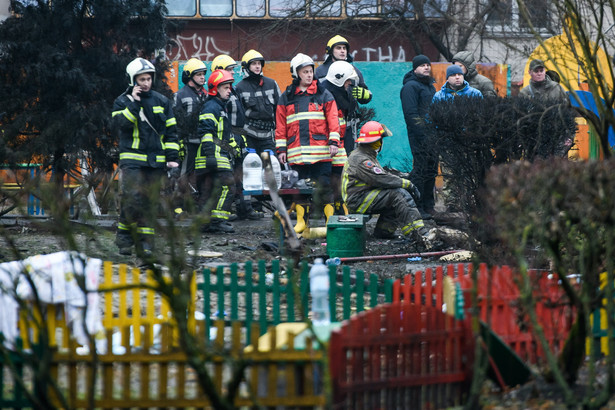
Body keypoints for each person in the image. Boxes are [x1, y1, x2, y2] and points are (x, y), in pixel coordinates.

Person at [112, 57, 180, 256]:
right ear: (133, 80)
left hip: (156, 161)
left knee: (150, 201)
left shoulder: (162, 101)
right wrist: (134, 103)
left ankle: (146, 243)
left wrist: (173, 157)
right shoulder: (122, 101)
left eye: (148, 79)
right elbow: (120, 126)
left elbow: (171, 132)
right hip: (132, 160)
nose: (146, 83)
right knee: (133, 198)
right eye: (141, 79)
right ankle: (124, 238)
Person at [342, 121, 436, 247]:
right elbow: (380, 179)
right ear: (377, 142)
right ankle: (418, 234)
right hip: (358, 200)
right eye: (380, 140)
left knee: (393, 193)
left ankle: (384, 231)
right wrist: (407, 184)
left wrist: (401, 177)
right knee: (399, 195)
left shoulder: (365, 154)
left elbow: (380, 175)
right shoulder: (361, 159)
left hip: (361, 196)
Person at [275, 53, 341, 216]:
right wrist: (281, 150)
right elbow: (281, 125)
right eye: (305, 71)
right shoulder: (286, 97)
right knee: (299, 192)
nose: (309, 74)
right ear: (296, 74)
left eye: (311, 71)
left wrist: (334, 142)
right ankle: (302, 225)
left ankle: (329, 225)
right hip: (297, 156)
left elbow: (333, 119)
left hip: (321, 155)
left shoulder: (323, 94)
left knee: (325, 190)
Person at [211, 54, 262, 220]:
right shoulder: (220, 95)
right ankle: (228, 209)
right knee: (230, 176)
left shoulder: (233, 90)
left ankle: (245, 208)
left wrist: (243, 140)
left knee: (242, 174)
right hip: (229, 139)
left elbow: (240, 120)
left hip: (239, 137)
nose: (233, 73)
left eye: (233, 70)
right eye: (230, 70)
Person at [195, 69, 241, 233]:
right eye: (226, 88)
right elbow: (206, 133)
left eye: (230, 87)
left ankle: (204, 223)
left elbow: (224, 135)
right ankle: (217, 221)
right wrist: (210, 155)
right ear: (216, 88)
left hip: (216, 156)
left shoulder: (221, 107)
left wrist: (234, 149)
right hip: (213, 156)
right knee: (228, 187)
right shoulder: (211, 107)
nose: (229, 91)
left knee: (209, 191)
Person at [315, 35, 371, 155]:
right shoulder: (320, 71)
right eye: (338, 48)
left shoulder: (354, 70)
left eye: (344, 48)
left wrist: (365, 95)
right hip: (328, 122)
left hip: (349, 122)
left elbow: (365, 93)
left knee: (349, 156)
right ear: (330, 51)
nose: (342, 51)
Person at [400, 54, 437, 220]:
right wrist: (422, 133)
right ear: (415, 68)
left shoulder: (430, 87)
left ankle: (429, 206)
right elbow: (411, 113)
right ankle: (417, 206)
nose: (426, 67)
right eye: (422, 65)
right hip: (419, 136)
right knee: (420, 170)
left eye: (428, 64)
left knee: (431, 170)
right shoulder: (410, 87)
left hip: (433, 135)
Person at [321, 60, 359, 214]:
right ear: (339, 80)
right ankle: (329, 213)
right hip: (327, 145)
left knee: (341, 178)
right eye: (348, 81)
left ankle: (340, 208)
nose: (349, 84)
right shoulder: (327, 96)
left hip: (339, 143)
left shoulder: (339, 94)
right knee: (328, 181)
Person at [172, 58, 208, 217]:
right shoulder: (179, 95)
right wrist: (178, 141)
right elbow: (174, 120)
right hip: (187, 142)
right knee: (184, 174)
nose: (202, 77)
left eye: (203, 74)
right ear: (189, 76)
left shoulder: (205, 95)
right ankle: (177, 206)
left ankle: (194, 205)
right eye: (198, 74)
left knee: (199, 175)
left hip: (203, 142)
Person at [235, 50, 281, 153]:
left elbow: (280, 110)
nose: (257, 66)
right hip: (249, 136)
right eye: (254, 63)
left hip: (269, 137)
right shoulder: (239, 88)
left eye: (259, 63)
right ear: (246, 66)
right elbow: (238, 117)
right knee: (252, 166)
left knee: (269, 165)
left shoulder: (272, 84)